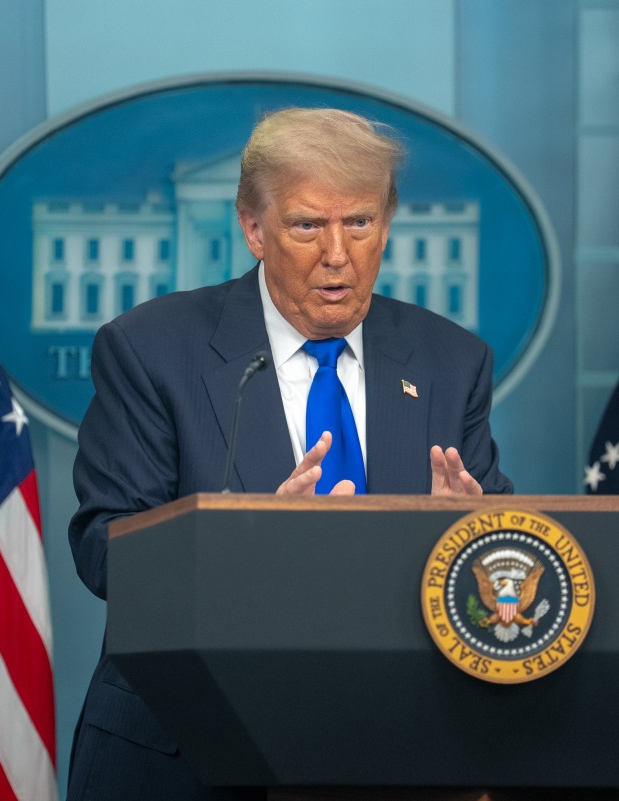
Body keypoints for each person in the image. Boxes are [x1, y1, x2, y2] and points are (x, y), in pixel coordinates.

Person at [66, 107, 513, 800]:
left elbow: (501, 566)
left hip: (392, 758)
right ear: (254, 229)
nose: (338, 253)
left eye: (359, 223)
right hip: (192, 758)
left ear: (386, 224)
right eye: (308, 225)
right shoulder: (151, 349)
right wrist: (244, 542)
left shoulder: (451, 360)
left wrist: (471, 536)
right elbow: (104, 550)